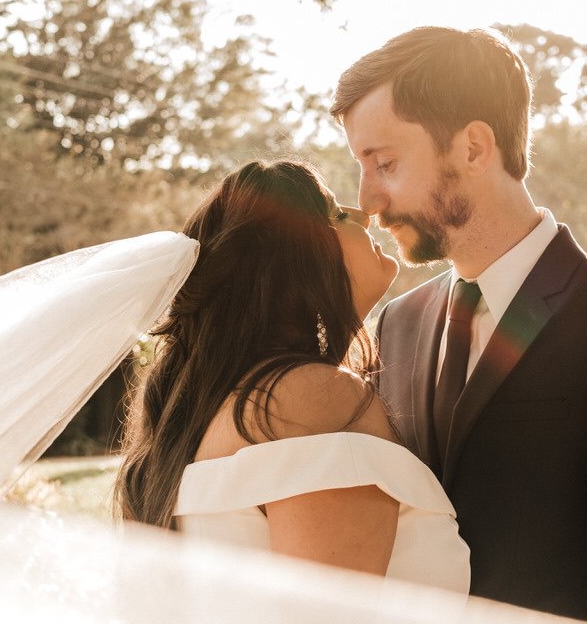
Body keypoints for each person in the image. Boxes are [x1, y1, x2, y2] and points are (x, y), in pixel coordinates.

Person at [332, 25, 587, 624]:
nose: (368, 199)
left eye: (387, 163)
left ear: (475, 147)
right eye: (363, 166)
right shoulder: (398, 325)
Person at [114, 158, 471, 597]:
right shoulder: (314, 401)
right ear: (302, 255)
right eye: (338, 215)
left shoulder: (206, 411)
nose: (363, 216)